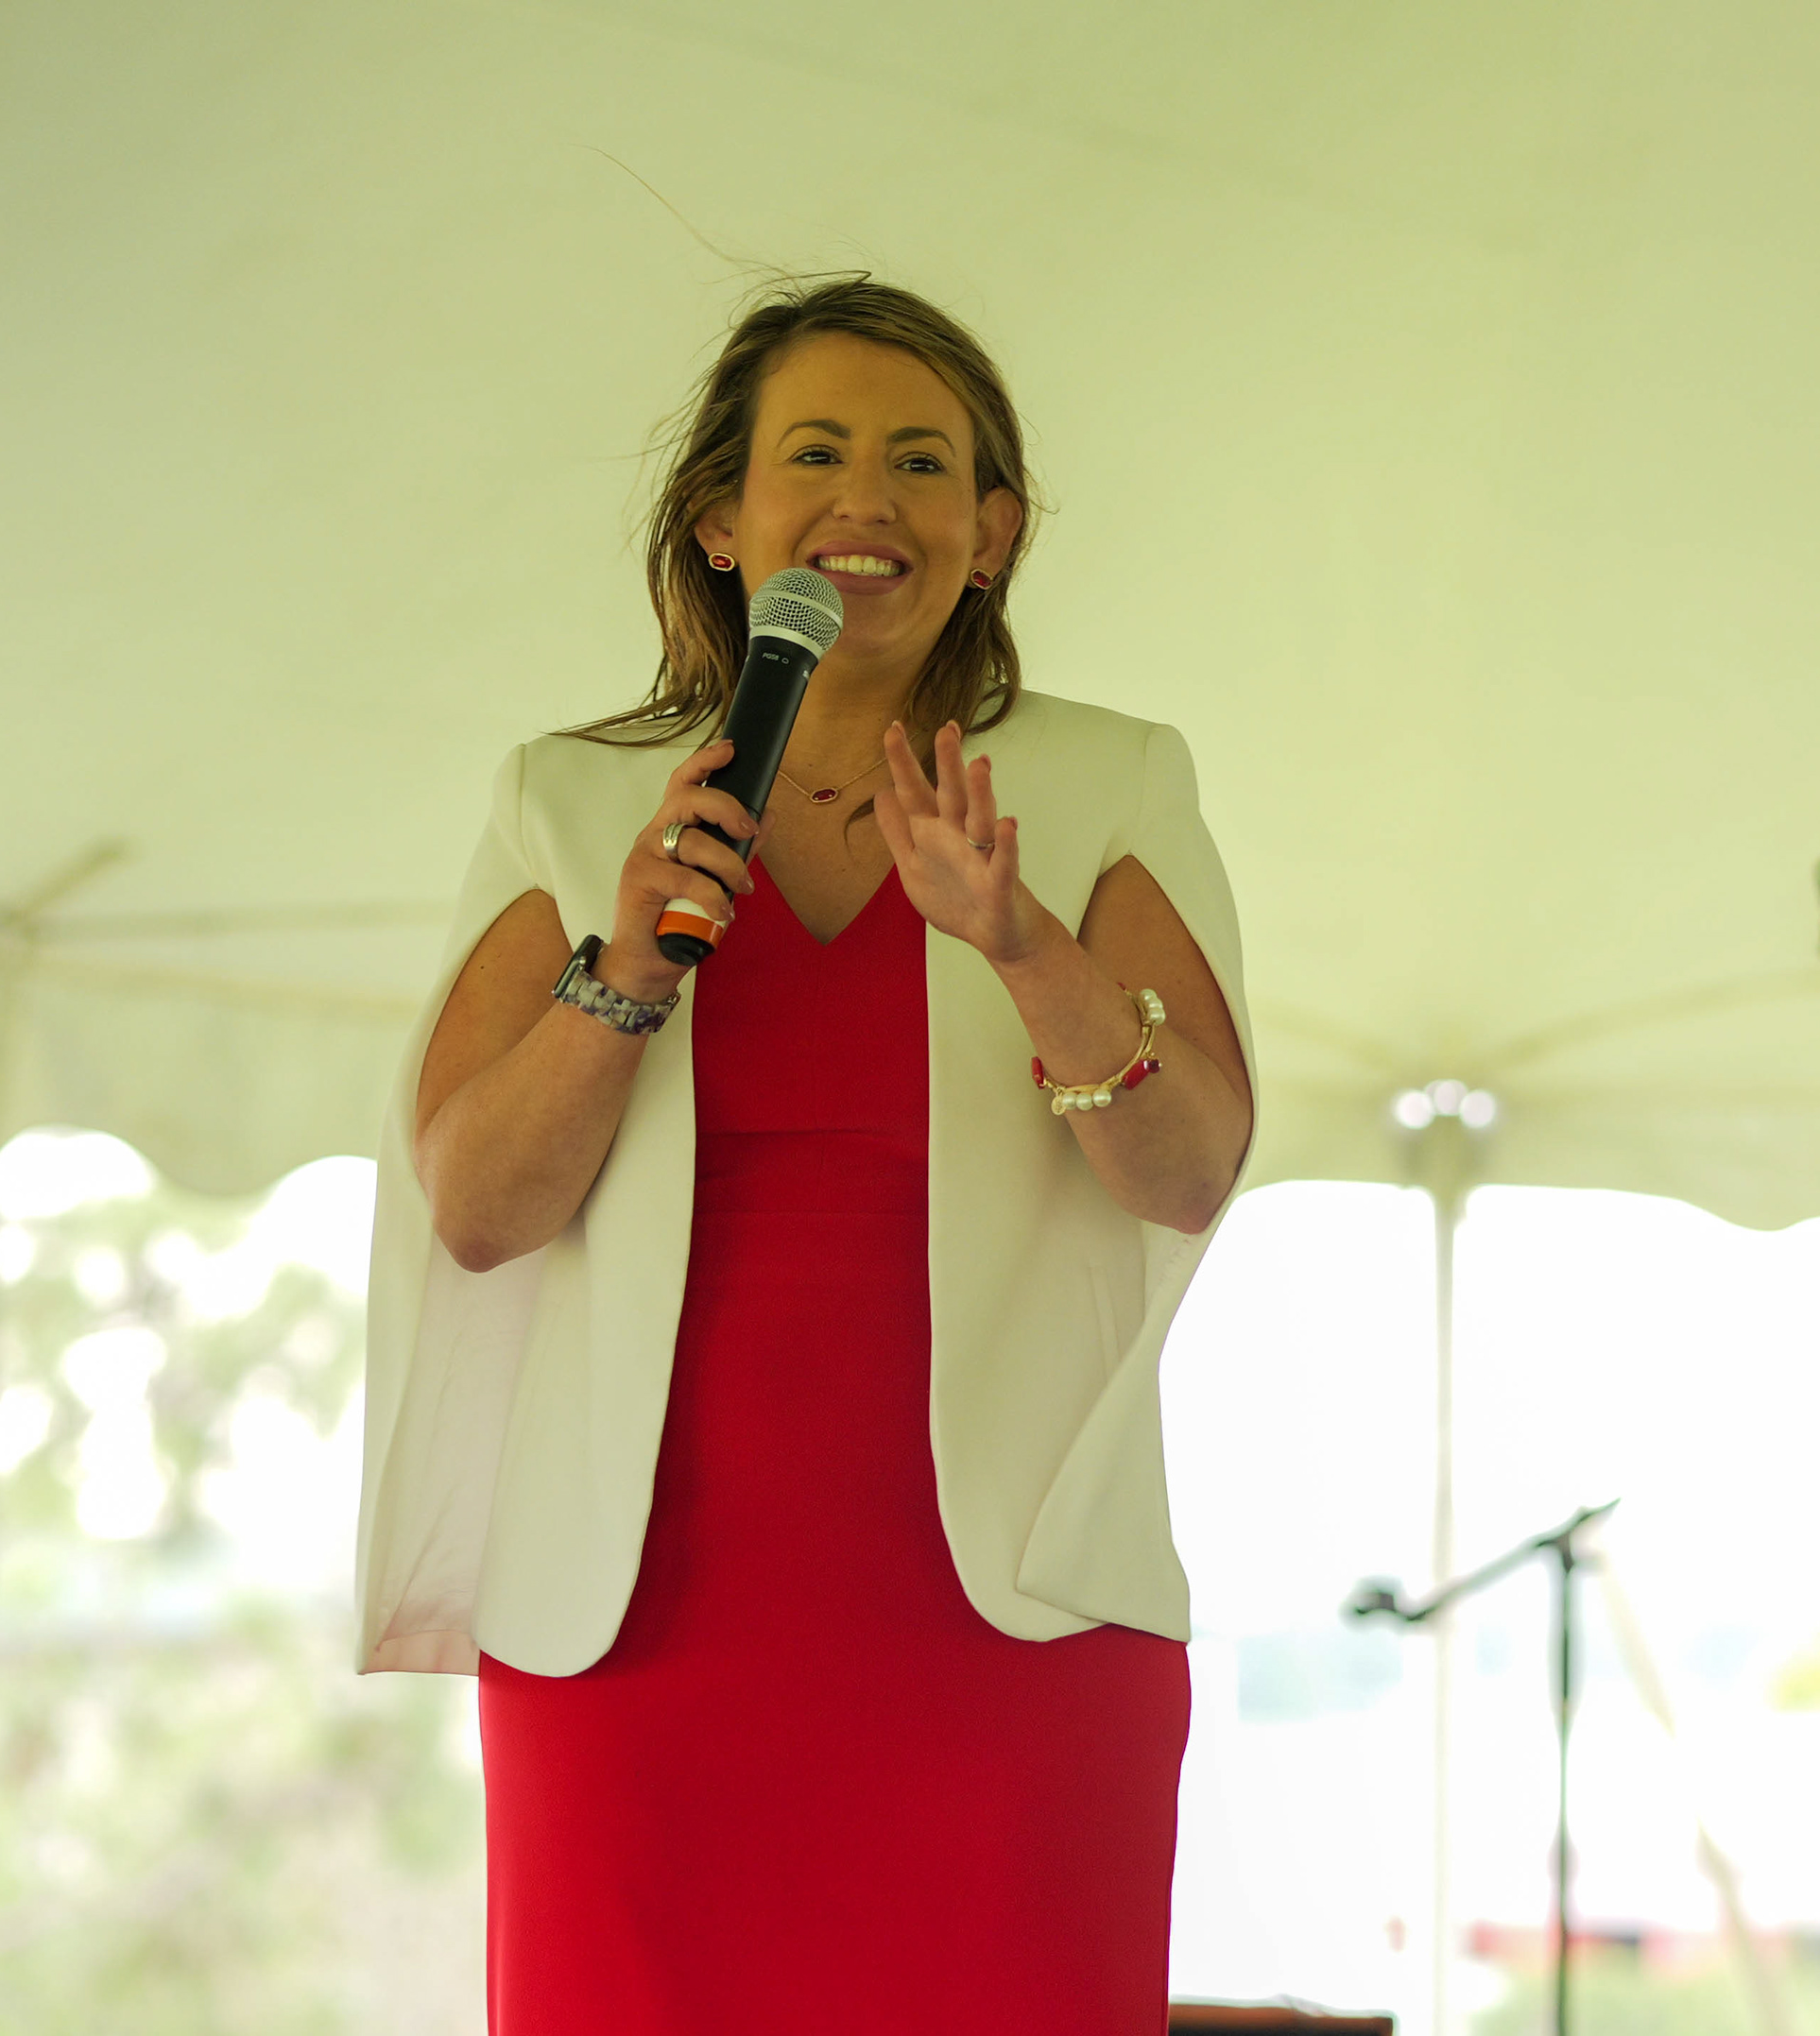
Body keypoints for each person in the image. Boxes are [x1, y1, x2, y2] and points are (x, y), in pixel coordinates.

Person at [354, 275, 1254, 2032]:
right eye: (817, 455)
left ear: (993, 530)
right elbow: (475, 1209)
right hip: (638, 1635)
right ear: (723, 518)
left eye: (924, 462)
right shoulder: (568, 800)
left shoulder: (1109, 781)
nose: (869, 500)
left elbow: (1190, 1172)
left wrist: (1023, 948)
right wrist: (625, 971)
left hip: (1010, 1632)